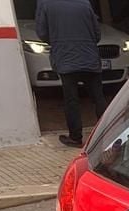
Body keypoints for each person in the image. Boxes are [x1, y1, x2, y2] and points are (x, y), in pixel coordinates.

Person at [36, 0, 108, 147]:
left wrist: (58, 41)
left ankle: (75, 138)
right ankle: (107, 134)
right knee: (98, 98)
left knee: (71, 101)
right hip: (89, 57)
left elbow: (42, 32)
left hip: (65, 58)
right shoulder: (84, 2)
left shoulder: (45, 3)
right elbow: (97, 33)